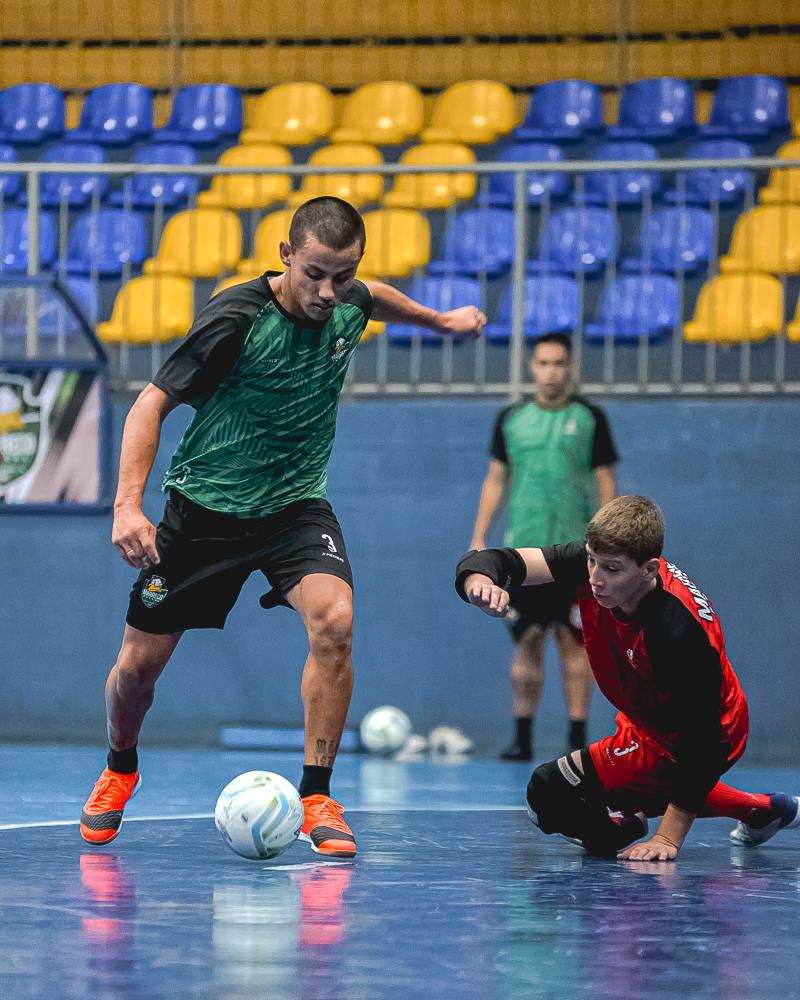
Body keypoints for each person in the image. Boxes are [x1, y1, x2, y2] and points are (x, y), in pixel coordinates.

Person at [80, 195, 486, 856]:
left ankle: (318, 793)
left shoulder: (351, 299)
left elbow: (376, 296)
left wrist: (438, 320)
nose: (330, 292)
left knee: (336, 621)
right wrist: (128, 506)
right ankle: (120, 768)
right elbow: (149, 406)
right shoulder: (236, 318)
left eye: (343, 275)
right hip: (204, 515)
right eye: (316, 274)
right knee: (137, 671)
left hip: (295, 509)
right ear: (286, 256)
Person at [455, 495, 799, 861]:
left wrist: (667, 839)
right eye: (591, 561)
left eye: (612, 570)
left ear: (649, 569)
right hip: (647, 718)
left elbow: (702, 745)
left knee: (549, 793)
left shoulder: (676, 631)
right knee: (600, 792)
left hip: (707, 730)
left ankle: (626, 823)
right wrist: (479, 581)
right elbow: (501, 561)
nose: (595, 579)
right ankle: (764, 809)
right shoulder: (591, 564)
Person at [469, 333, 618, 761]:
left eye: (559, 364)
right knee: (527, 643)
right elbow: (495, 479)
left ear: (569, 369)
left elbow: (605, 482)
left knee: (575, 645)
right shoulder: (511, 419)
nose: (551, 371)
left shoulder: (591, 418)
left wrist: (607, 543)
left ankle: (576, 738)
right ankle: (523, 738)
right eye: (544, 363)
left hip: (576, 553)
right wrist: (480, 538)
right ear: (532, 368)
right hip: (525, 554)